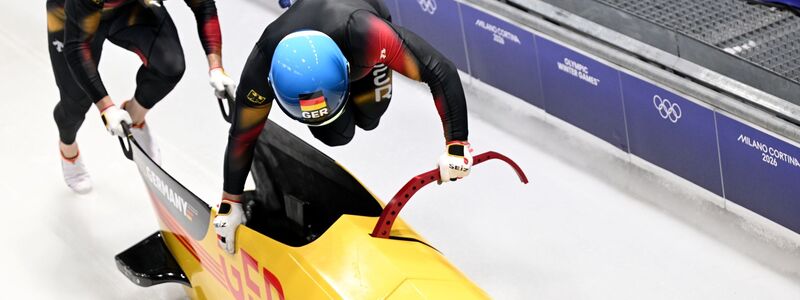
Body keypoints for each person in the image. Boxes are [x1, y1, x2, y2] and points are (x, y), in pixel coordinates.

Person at [213, 0, 473, 254]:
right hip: (335, 54)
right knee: (336, 135)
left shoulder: (368, 35)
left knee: (371, 116)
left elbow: (440, 70)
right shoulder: (262, 64)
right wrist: (230, 200)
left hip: (364, 45)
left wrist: (457, 144)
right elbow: (243, 135)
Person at [47, 0, 236, 193]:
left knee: (170, 65)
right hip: (73, 14)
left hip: (130, 8)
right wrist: (106, 108)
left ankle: (134, 117)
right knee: (76, 101)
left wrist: (216, 67)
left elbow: (204, 5)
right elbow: (77, 47)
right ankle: (67, 148)